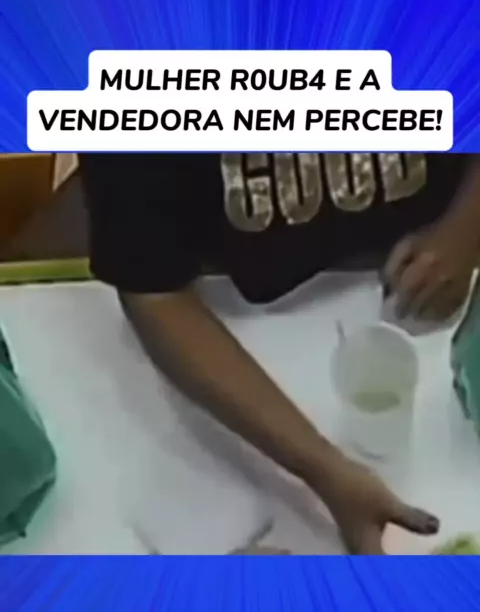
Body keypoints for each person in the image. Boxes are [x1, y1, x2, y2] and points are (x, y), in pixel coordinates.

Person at [79, 152, 480, 554]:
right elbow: (154, 291)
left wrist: (464, 231)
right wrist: (324, 469)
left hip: (431, 285)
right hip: (244, 325)